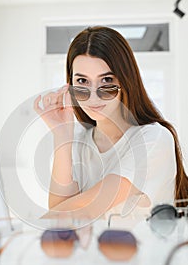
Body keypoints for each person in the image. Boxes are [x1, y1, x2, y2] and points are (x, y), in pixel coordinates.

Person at [34, 26, 188, 223]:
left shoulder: (154, 139)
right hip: (93, 253)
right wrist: (62, 136)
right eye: (82, 81)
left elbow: (85, 210)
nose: (93, 96)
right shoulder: (79, 141)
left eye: (106, 80)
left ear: (126, 81)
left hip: (149, 253)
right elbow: (58, 213)